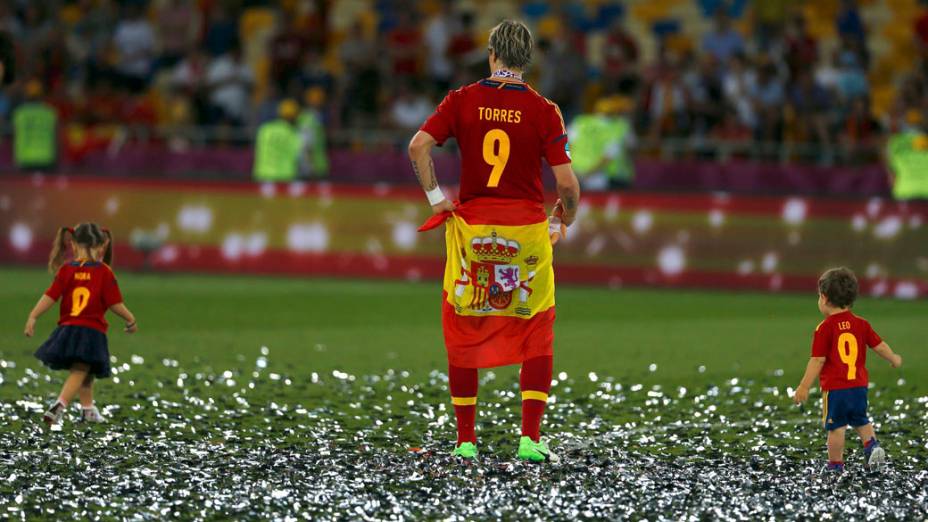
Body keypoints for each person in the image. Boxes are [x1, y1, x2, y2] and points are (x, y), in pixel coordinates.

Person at [409, 20, 580, 462]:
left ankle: (466, 441)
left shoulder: (462, 100)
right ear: (528, 60)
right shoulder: (545, 110)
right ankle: (529, 439)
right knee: (536, 328)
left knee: (463, 324)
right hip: (525, 235)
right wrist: (561, 222)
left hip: (473, 233)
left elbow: (418, 147)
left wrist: (435, 200)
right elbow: (568, 187)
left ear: (491, 55)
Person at [24, 223, 138, 425]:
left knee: (86, 369)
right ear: (102, 245)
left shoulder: (67, 269)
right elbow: (115, 304)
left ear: (73, 244)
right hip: (90, 331)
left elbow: (50, 296)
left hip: (67, 329)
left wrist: (33, 316)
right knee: (80, 370)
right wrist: (130, 318)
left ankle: (88, 410)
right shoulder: (103, 272)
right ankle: (59, 405)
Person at [792, 267, 902, 472]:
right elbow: (879, 345)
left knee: (836, 428)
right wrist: (893, 358)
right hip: (859, 386)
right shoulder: (861, 324)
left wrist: (804, 386)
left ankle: (835, 464)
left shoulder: (824, 328)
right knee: (861, 420)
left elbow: (817, 360)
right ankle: (871, 446)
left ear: (824, 298)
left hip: (836, 389)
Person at [567, 96, 636, 190]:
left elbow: (566, 145)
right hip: (600, 176)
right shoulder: (617, 127)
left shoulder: (581, 122)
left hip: (575, 172)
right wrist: (587, 174)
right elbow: (609, 156)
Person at [13, 80, 57, 171]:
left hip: (25, 159)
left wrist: (16, 161)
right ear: (41, 95)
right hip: (46, 159)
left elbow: (15, 138)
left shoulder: (20, 114)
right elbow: (56, 139)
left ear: (26, 95)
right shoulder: (50, 113)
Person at [253, 99, 302, 182]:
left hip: (262, 176)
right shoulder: (293, 133)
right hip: (285, 178)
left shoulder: (265, 129)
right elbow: (300, 157)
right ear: (294, 116)